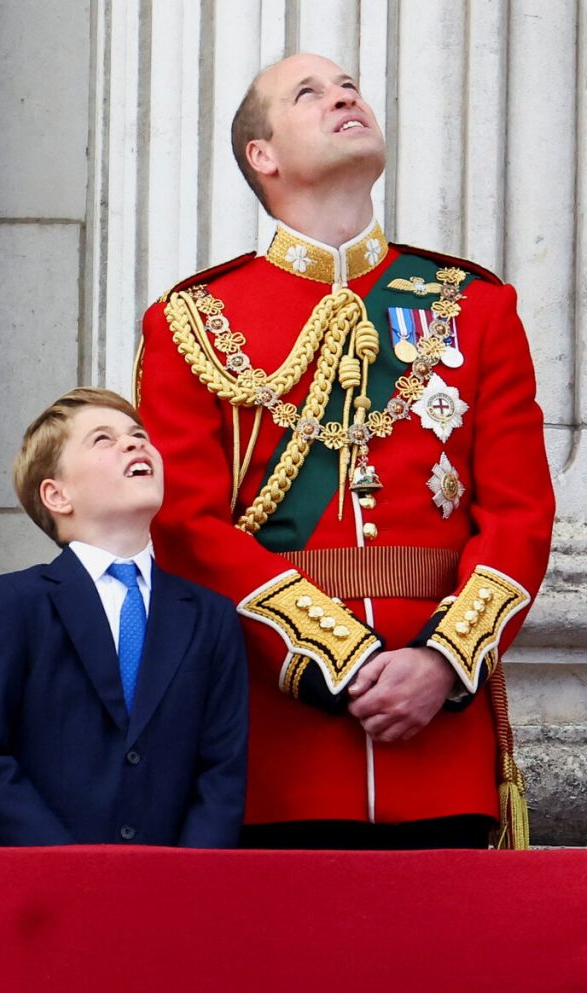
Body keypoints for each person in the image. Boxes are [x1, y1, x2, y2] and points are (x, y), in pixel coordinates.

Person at [137, 53, 554, 849]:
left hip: (443, 740)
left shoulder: (475, 306)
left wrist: (439, 663)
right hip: (279, 750)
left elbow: (521, 515)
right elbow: (185, 526)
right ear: (264, 156)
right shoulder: (192, 321)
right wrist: (342, 659)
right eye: (310, 93)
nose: (344, 96)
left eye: (349, 86)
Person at [0, 388, 248, 846]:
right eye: (103, 440)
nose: (134, 443)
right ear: (57, 494)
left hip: (173, 887)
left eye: (138, 435)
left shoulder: (210, 616)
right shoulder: (17, 601)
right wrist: (64, 862)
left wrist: (193, 875)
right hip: (44, 883)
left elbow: (222, 769)